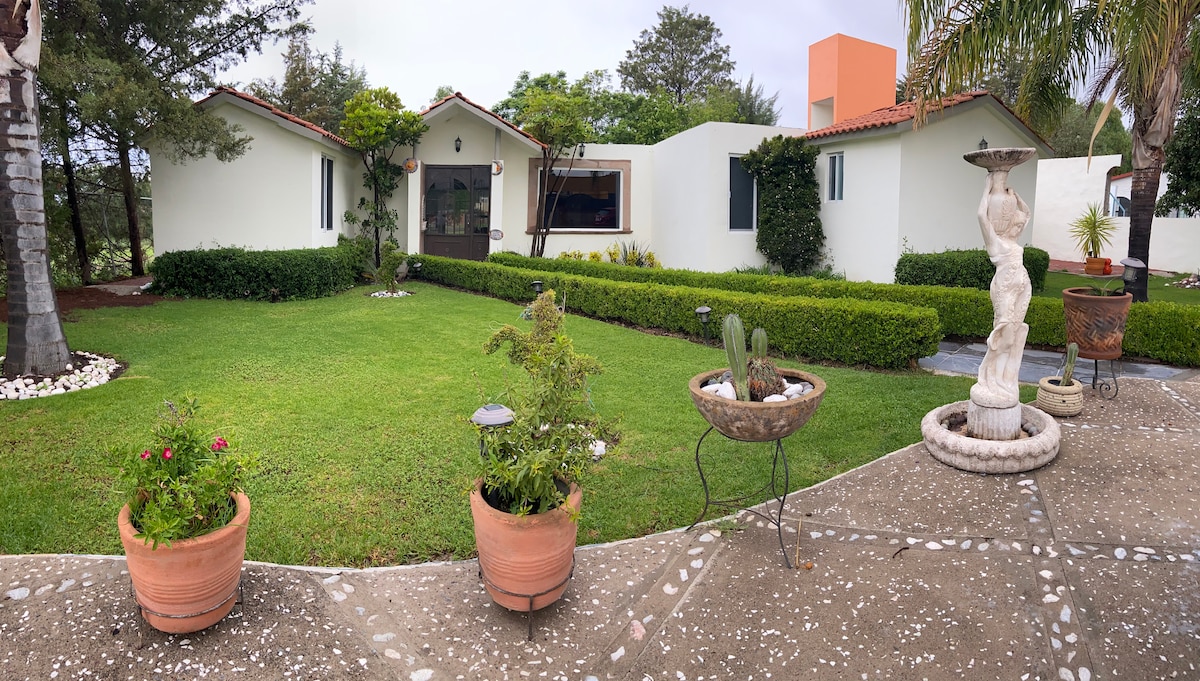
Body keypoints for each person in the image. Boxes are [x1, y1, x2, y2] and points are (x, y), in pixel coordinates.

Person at [971, 170, 1032, 408]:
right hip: (1004, 289)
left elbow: (1027, 214)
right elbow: (980, 215)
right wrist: (987, 190)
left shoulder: (1015, 241)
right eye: (1015, 225)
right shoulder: (995, 242)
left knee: (1016, 334)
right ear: (1006, 224)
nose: (1018, 228)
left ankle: (1007, 379)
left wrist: (1016, 197)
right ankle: (988, 377)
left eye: (1019, 226)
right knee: (1003, 335)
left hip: (1022, 287)